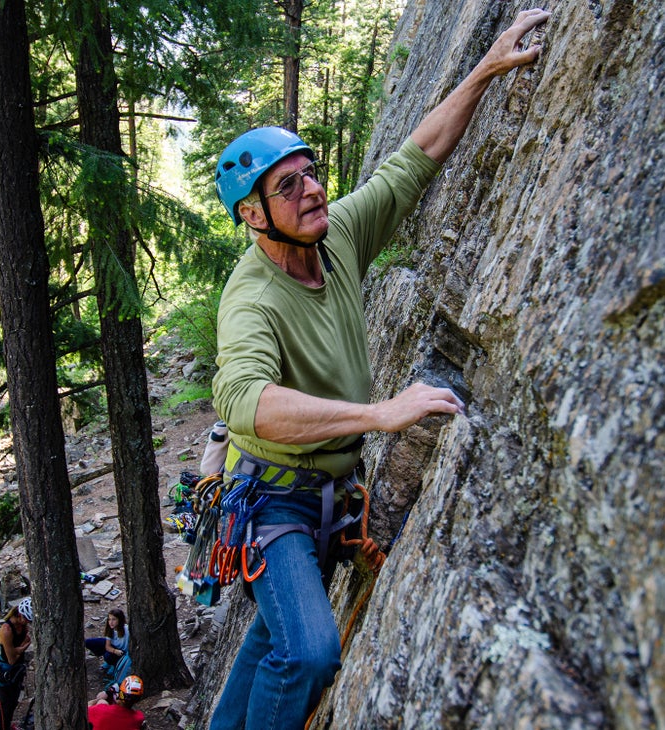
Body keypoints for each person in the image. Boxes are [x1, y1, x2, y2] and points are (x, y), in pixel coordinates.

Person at [208, 8, 551, 730]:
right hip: (277, 502)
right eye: (287, 187)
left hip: (327, 490)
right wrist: (379, 414)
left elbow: (414, 158)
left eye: (311, 174)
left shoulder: (333, 242)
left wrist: (485, 67)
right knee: (307, 653)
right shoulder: (251, 299)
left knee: (275, 636)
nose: (312, 191)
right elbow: (244, 402)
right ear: (252, 215)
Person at [0, 597, 32, 730]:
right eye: (26, 619)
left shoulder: (23, 626)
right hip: (5, 671)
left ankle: (8, 726)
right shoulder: (6, 630)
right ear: (20, 615)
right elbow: (11, 658)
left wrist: (18, 649)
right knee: (4, 705)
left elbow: (16, 653)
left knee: (13, 701)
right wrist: (25, 645)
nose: (27, 623)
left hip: (16, 670)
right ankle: (2, 727)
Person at [85, 608, 129, 676]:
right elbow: (107, 646)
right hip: (114, 649)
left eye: (114, 619)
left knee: (108, 656)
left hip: (122, 653)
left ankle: (113, 665)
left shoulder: (127, 629)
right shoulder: (110, 629)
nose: (110, 622)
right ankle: (107, 661)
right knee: (88, 642)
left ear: (120, 620)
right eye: (109, 619)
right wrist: (114, 651)